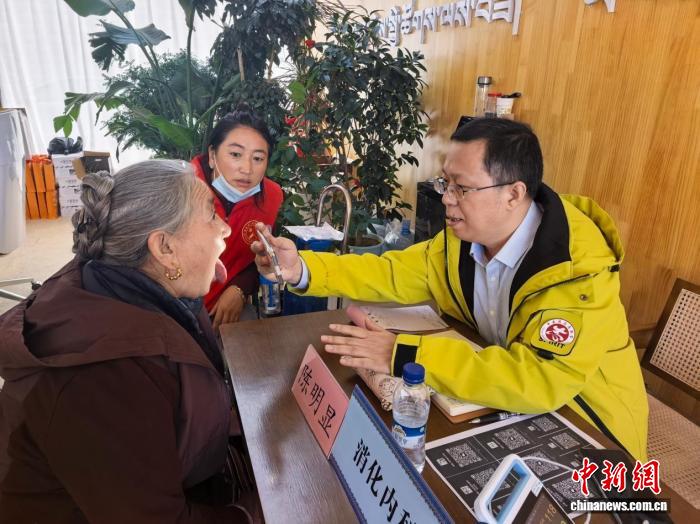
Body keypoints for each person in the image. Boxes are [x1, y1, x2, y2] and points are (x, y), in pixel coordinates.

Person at [252, 118, 648, 460]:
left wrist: (401, 353)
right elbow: (390, 272)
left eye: (461, 188)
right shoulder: (461, 243)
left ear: (513, 193)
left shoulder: (576, 272)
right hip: (503, 410)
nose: (445, 198)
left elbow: (539, 379)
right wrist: (301, 267)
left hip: (592, 433)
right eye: (445, 183)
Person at [0, 160, 254, 522]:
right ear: (165, 248)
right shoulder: (101, 378)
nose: (225, 228)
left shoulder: (150, 288)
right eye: (211, 215)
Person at [191, 104, 283, 328]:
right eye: (235, 155)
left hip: (226, 312)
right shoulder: (183, 190)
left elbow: (259, 257)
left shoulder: (271, 197)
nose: (247, 169)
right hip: (177, 314)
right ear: (212, 156)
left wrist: (240, 289)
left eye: (258, 158)